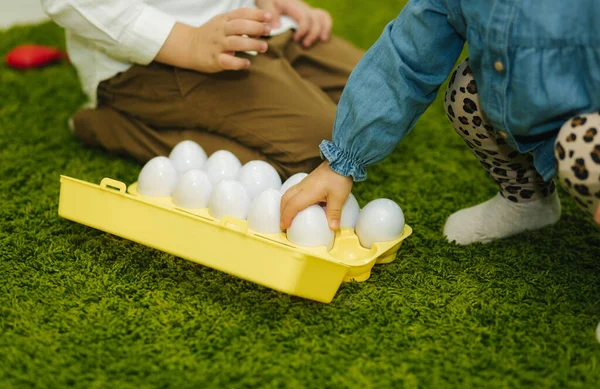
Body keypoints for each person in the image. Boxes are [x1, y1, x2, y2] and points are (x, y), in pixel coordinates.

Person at [280, 0, 600, 245]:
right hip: (537, 112)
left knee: (583, 146)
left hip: (590, 130)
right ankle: (529, 199)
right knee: (468, 90)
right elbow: (405, 59)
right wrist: (342, 160)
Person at [41, 0, 364, 178]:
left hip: (250, 21)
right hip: (154, 59)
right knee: (324, 149)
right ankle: (111, 125)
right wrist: (187, 41)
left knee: (374, 99)